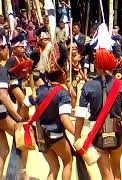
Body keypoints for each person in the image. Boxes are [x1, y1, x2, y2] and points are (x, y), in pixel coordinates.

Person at [75, 23, 122, 180]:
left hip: (97, 133)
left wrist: (77, 137)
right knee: (116, 169)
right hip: (117, 132)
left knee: (105, 173)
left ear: (96, 64)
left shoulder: (87, 87)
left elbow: (80, 116)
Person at [21, 39, 75, 180]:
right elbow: (64, 118)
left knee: (54, 168)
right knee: (68, 162)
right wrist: (78, 134)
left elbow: (24, 105)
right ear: (63, 74)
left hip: (41, 136)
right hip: (56, 135)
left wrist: (24, 118)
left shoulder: (39, 91)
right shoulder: (63, 93)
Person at [0, 34, 27, 178]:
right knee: (25, 140)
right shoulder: (2, 68)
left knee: (3, 151)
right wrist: (17, 118)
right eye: (5, 48)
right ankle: (20, 174)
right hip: (1, 114)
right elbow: (2, 96)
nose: (7, 50)